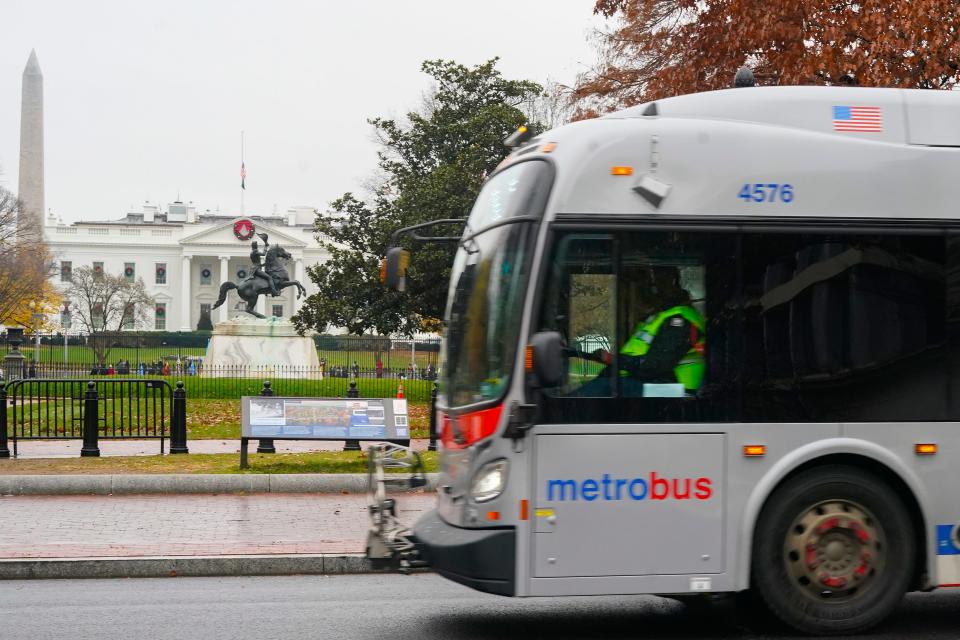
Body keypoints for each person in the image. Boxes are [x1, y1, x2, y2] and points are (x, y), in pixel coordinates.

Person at [590, 266, 705, 394]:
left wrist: (614, 360)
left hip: (674, 390)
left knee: (600, 390)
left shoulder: (680, 319)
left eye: (648, 287)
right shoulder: (657, 317)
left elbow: (656, 365)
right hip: (649, 382)